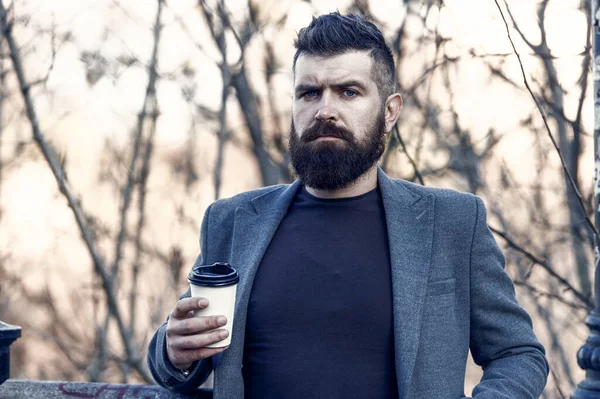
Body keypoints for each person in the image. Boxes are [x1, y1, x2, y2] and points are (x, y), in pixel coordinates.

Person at [147, 12, 549, 399]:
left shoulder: (452, 223)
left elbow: (517, 354)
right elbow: (178, 356)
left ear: (390, 111)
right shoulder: (232, 221)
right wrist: (173, 350)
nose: (325, 110)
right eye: (309, 93)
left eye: (348, 91)